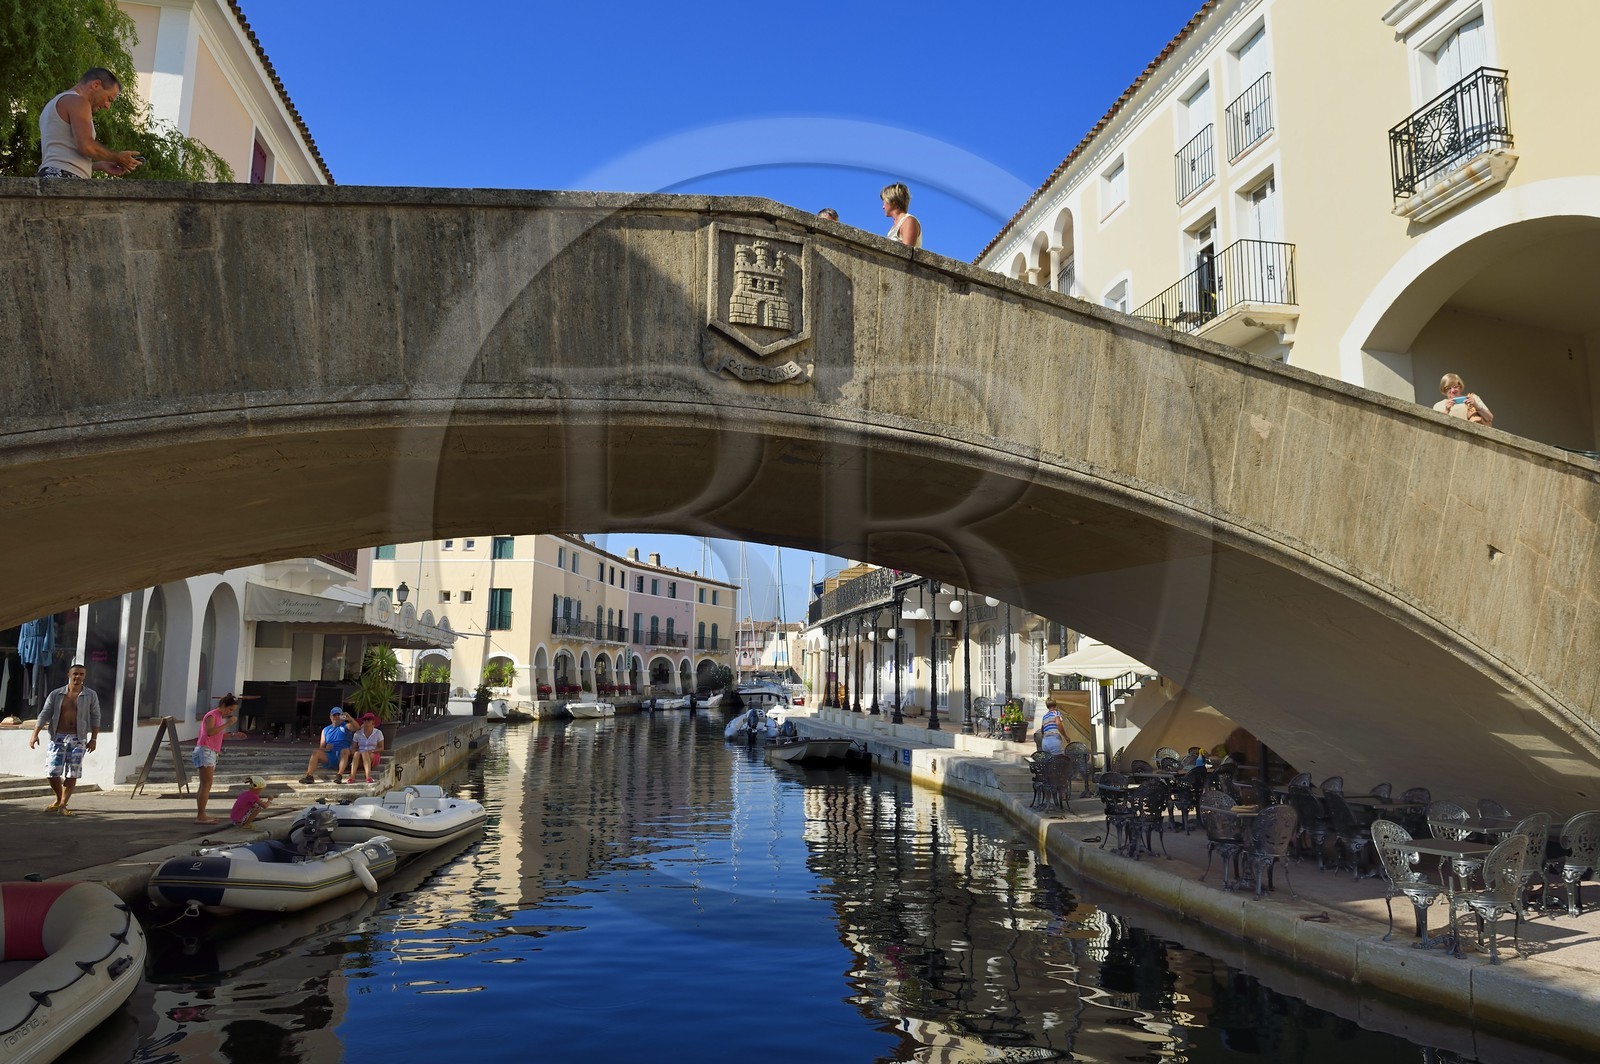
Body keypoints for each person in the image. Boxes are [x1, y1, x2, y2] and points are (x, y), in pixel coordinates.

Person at [37, 68, 143, 179]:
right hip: (65, 177)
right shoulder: (78, 101)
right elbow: (86, 146)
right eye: (109, 99)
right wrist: (117, 157)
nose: (107, 106)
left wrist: (98, 165)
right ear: (96, 85)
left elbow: (62, 155)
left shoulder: (54, 103)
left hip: (52, 175)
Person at [28, 663, 102, 815]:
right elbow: (44, 714)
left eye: (81, 674)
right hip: (58, 738)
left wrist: (94, 739)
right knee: (52, 772)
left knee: (72, 773)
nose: (78, 677)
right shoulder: (56, 694)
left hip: (78, 738)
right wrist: (35, 734)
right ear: (69, 674)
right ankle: (58, 798)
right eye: (75, 674)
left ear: (85, 676)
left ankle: (62, 804)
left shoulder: (90, 695)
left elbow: (96, 717)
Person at [193, 694, 240, 825]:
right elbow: (210, 732)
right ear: (224, 706)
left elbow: (217, 735)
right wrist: (229, 724)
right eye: (230, 709)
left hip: (210, 750)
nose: (230, 713)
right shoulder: (212, 715)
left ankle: (201, 813)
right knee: (206, 784)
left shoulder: (218, 717)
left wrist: (233, 735)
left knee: (205, 784)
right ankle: (201, 815)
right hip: (205, 750)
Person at [300, 708, 353, 784]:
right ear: (331, 717)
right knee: (316, 752)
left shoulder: (346, 726)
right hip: (331, 755)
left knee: (345, 751)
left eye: (338, 715)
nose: (336, 717)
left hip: (343, 754)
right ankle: (309, 776)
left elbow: (357, 727)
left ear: (342, 716)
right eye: (334, 715)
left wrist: (350, 719)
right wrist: (326, 749)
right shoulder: (325, 730)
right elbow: (321, 747)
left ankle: (339, 775)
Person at [880, 182, 922, 248]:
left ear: (893, 202)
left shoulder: (909, 221)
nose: (883, 207)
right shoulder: (893, 228)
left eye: (885, 202)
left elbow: (907, 253)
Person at [347, 714, 385, 784]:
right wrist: (354, 753)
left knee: (365, 753)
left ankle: (368, 777)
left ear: (373, 721)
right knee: (357, 753)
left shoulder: (378, 733)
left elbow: (381, 748)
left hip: (373, 754)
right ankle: (352, 777)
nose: (367, 721)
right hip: (360, 755)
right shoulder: (357, 733)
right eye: (365, 720)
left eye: (369, 719)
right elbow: (354, 748)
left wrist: (371, 751)